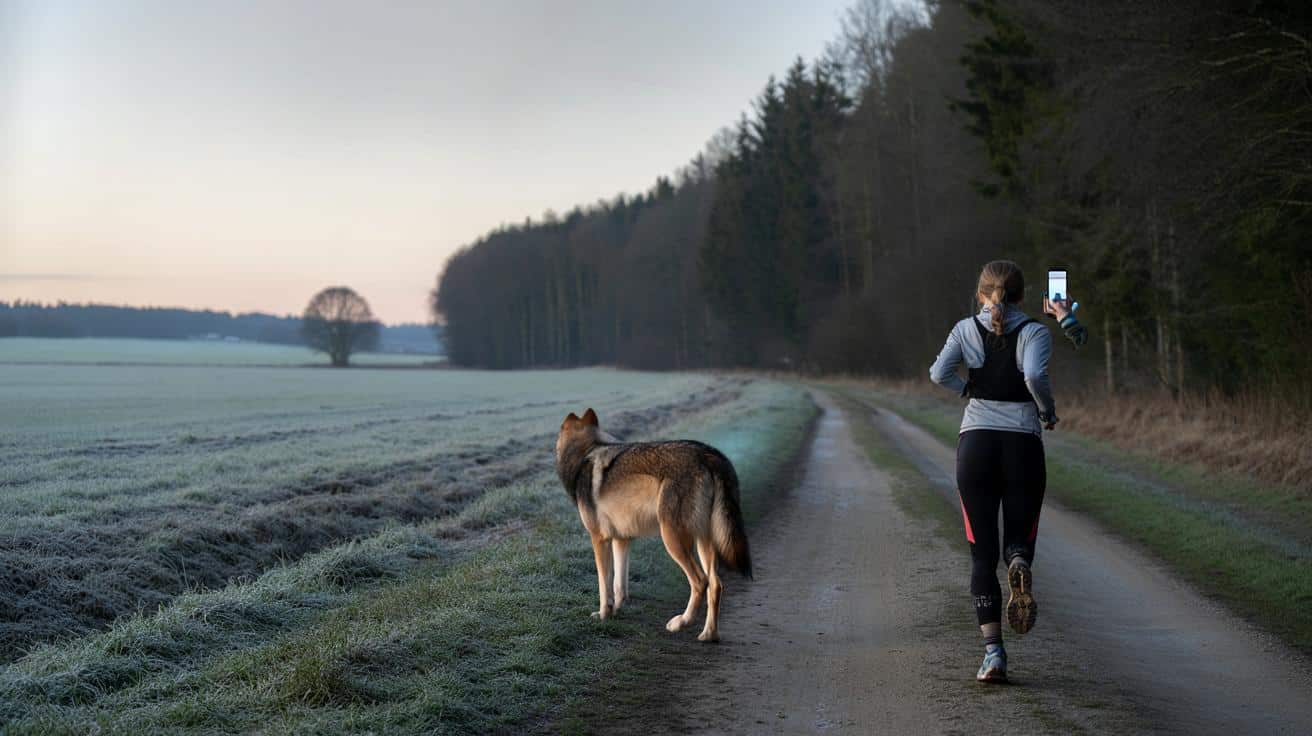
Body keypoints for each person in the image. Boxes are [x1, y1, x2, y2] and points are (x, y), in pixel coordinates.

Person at [928, 259, 1087, 684]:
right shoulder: (1035, 331)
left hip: (976, 445)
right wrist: (1047, 411)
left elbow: (938, 373)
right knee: (1018, 538)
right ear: (1022, 294)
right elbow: (1034, 375)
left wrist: (967, 388)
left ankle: (994, 655)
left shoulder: (965, 329)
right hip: (1022, 446)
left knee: (981, 555)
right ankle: (1018, 560)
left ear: (981, 293)